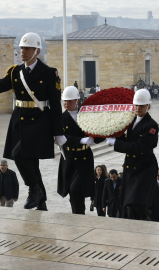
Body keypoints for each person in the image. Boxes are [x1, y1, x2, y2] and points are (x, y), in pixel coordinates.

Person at [0, 32, 65, 211]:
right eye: (21, 48)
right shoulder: (16, 71)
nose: (23, 51)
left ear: (36, 51)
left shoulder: (49, 73)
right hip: (19, 121)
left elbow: (56, 104)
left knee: (18, 154)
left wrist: (58, 132)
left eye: (27, 48)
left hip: (39, 121)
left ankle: (34, 189)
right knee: (31, 163)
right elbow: (0, 84)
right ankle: (41, 201)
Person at [105, 89, 158, 220]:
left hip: (144, 168)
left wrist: (116, 143)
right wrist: (115, 136)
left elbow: (139, 146)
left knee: (138, 201)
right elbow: (128, 140)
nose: (138, 108)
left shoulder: (151, 125)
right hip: (130, 166)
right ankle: (135, 229)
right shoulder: (130, 121)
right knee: (129, 203)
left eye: (141, 105)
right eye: (136, 105)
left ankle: (146, 226)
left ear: (148, 106)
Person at [57, 86, 103, 215]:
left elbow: (96, 132)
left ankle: (79, 216)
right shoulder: (60, 118)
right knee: (73, 191)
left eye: (70, 101)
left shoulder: (86, 115)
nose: (66, 103)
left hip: (84, 158)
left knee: (77, 189)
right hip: (69, 158)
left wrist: (104, 134)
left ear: (77, 101)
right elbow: (61, 137)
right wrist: (80, 141)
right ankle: (78, 216)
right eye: (64, 101)